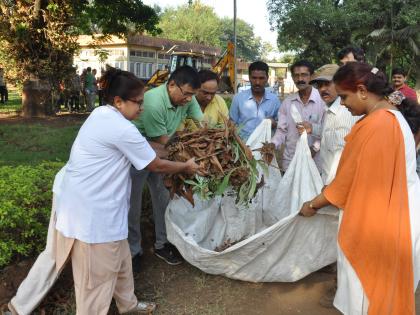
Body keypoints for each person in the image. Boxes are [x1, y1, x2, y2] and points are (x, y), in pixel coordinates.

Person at [5, 68, 202, 315]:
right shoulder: (122, 128)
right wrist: (186, 165)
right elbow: (155, 164)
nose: (142, 108)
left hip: (79, 199)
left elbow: (145, 146)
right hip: (88, 212)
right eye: (138, 103)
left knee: (119, 261)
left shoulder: (103, 114)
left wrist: (176, 152)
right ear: (118, 101)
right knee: (95, 279)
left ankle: (127, 305)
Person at [299, 63, 420, 314]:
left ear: (363, 91)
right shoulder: (391, 117)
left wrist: (312, 205)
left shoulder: (376, 125)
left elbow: (345, 185)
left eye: (344, 96)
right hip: (399, 214)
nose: (342, 104)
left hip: (381, 223)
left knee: (367, 295)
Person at [129, 65, 203, 269]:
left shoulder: (188, 96)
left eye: (192, 95)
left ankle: (163, 243)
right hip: (136, 151)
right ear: (172, 85)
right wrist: (188, 157)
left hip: (163, 148)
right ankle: (133, 250)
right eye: (186, 94)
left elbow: (201, 124)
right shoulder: (153, 102)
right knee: (131, 204)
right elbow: (162, 141)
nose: (189, 99)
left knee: (163, 198)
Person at [305, 64, 359, 184]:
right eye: (319, 86)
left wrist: (330, 189)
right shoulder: (330, 109)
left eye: (327, 84)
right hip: (329, 181)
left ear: (341, 84)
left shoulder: (345, 111)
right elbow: (330, 134)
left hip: (338, 185)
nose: (322, 89)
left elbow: (342, 154)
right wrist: (312, 128)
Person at [271, 60, 325, 172]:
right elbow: (281, 131)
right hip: (290, 163)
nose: (300, 79)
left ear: (312, 76)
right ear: (292, 78)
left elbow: (327, 131)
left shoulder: (323, 101)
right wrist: (272, 145)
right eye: (296, 75)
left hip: (315, 165)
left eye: (304, 75)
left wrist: (314, 149)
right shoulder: (287, 102)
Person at [229, 61, 281, 140]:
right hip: (242, 146)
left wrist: (273, 123)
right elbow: (231, 123)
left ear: (267, 78)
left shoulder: (274, 100)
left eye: (261, 78)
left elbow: (281, 125)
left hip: (264, 148)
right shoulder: (238, 98)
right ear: (249, 78)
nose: (257, 82)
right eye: (254, 78)